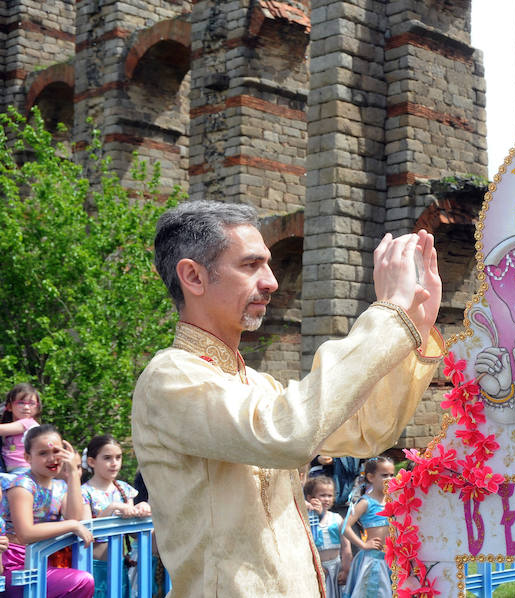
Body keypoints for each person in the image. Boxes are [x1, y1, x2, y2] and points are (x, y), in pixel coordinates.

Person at [132, 200, 443, 597]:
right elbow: (288, 433)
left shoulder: (259, 387)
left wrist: (414, 324)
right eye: (250, 265)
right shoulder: (169, 379)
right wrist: (387, 315)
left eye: (267, 263)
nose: (272, 281)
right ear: (193, 276)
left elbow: (368, 430)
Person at [2, 424, 94, 598]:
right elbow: (26, 534)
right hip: (13, 567)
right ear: (27, 457)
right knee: (82, 581)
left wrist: (73, 473)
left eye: (56, 452)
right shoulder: (22, 485)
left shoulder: (60, 486)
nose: (52, 459)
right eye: (43, 453)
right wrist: (72, 525)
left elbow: (74, 517)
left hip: (42, 562)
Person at [81, 435, 151, 598]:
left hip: (119, 566)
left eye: (118, 457)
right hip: (94, 567)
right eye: (107, 458)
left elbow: (133, 533)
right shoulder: (84, 492)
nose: (114, 463)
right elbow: (87, 531)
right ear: (92, 462)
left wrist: (142, 510)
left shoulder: (125, 490)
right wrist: (112, 508)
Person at [341, 456, 395, 598]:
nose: (389, 479)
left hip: (391, 561)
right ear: (371, 477)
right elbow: (344, 527)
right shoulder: (366, 502)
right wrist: (363, 545)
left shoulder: (394, 501)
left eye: (392, 475)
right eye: (384, 475)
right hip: (373, 561)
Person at [303, 476, 351, 598]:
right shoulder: (307, 520)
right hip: (318, 569)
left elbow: (346, 546)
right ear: (310, 498)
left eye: (329, 495)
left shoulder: (337, 518)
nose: (326, 499)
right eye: (322, 495)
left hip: (336, 568)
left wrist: (346, 570)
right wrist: (314, 565)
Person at [0, 383, 42, 479]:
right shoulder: (13, 425)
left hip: (23, 470)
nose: (26, 407)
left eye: (31, 403)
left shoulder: (29, 423)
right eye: (21, 403)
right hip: (11, 470)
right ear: (10, 407)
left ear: (37, 407)